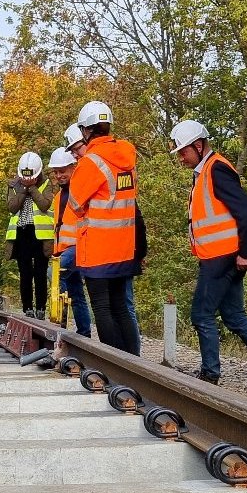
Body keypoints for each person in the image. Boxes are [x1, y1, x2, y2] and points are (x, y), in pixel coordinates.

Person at [169, 119, 247, 404]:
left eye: (183, 151)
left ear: (198, 146)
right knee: (234, 317)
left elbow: (246, 211)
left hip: (222, 257)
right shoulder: (205, 171)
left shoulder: (216, 170)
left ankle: (210, 376)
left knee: (201, 315)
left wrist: (246, 253)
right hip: (222, 256)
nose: (180, 157)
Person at [68, 101, 146, 355]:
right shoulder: (127, 156)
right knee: (121, 307)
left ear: (86, 131)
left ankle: (115, 363)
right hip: (124, 247)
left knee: (101, 307)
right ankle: (134, 362)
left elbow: (75, 204)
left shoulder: (91, 162)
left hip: (98, 249)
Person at [48, 147, 92, 337]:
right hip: (64, 249)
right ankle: (84, 332)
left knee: (55, 275)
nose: (59, 175)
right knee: (76, 294)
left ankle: (60, 326)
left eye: (63, 171)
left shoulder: (80, 190)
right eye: (56, 172)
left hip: (78, 246)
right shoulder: (58, 197)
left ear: (74, 167)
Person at [5, 151, 55, 318]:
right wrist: (22, 190)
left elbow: (45, 205)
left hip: (40, 235)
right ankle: (28, 308)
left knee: (40, 273)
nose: (26, 179)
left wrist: (32, 188)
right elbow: (12, 207)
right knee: (25, 273)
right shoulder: (13, 185)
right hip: (21, 233)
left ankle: (41, 308)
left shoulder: (46, 183)